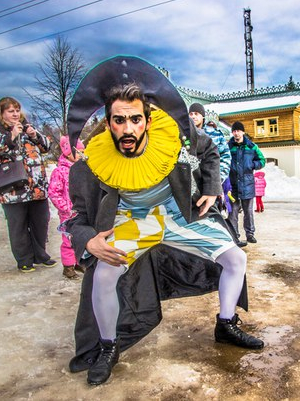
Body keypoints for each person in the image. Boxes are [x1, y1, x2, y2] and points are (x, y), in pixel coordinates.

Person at [65, 57, 263, 386]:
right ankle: (108, 347)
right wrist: (87, 239)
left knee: (236, 259)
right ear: (108, 123)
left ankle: (226, 324)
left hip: (175, 214)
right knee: (102, 275)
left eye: (135, 119)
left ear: (147, 120)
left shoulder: (175, 134)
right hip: (132, 221)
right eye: (119, 120)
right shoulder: (92, 163)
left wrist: (212, 188)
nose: (128, 129)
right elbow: (75, 217)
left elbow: (210, 151)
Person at [0, 97, 56, 273]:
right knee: (18, 224)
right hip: (12, 187)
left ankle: (40, 254)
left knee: (41, 221)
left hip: (36, 185)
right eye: (11, 111)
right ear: (1, 113)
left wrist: (34, 135)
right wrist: (11, 136)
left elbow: (47, 147)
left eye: (17, 110)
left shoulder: (27, 127)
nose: (15, 114)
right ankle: (24, 259)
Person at [48, 135, 85, 279]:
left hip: (81, 211)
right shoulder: (60, 171)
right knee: (68, 240)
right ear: (68, 153)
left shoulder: (82, 169)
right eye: (78, 152)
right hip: (68, 214)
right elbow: (54, 193)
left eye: (82, 152)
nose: (81, 155)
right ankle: (68, 266)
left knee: (80, 238)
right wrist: (65, 208)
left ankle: (78, 262)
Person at [227, 121, 266, 244]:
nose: (236, 133)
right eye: (234, 131)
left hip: (247, 185)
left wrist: (252, 165)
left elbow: (262, 160)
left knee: (248, 212)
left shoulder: (252, 146)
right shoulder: (228, 146)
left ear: (243, 132)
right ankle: (234, 235)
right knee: (232, 212)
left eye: (238, 131)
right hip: (232, 185)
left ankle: (250, 234)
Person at [188, 102, 231, 183]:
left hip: (210, 181)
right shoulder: (185, 134)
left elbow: (225, 156)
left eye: (196, 114)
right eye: (191, 114)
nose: (193, 116)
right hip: (190, 181)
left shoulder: (215, 134)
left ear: (202, 116)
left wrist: (219, 178)